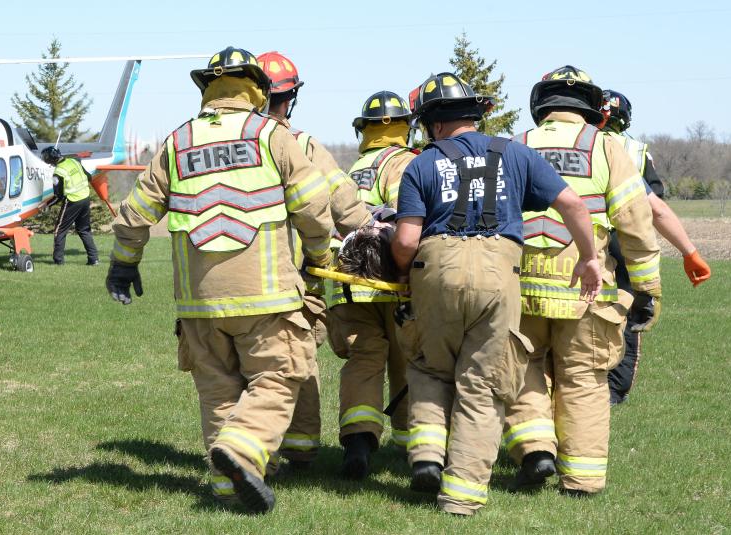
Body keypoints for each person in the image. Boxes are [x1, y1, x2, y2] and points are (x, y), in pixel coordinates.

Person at [105, 46, 334, 514]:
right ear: (257, 88)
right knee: (276, 378)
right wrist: (317, 259)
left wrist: (123, 264)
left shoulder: (177, 141)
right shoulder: (272, 135)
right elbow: (314, 207)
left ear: (207, 89)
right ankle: (245, 449)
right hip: (266, 296)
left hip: (198, 304)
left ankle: (229, 492)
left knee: (218, 392)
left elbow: (136, 214)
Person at [391, 71, 602, 516]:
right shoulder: (517, 154)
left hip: (436, 270)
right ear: (474, 115)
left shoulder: (421, 164)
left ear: (433, 122)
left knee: (430, 366)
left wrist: (406, 276)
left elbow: (407, 241)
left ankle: (427, 457)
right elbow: (573, 205)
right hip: (500, 270)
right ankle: (462, 496)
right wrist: (588, 258)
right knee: (482, 385)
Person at [503, 66, 662, 496]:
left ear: (542, 105)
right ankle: (583, 480)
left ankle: (536, 448)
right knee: (584, 379)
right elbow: (636, 223)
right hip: (585, 287)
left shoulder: (515, 146)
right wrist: (647, 288)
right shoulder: (608, 148)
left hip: (520, 287)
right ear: (591, 108)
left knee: (523, 368)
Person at [257, 51, 370, 473]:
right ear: (290, 98)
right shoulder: (299, 143)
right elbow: (345, 203)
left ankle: (250, 454)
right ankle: (301, 448)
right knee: (296, 358)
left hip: (217, 286)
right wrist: (371, 230)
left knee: (234, 373)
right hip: (290, 282)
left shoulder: (220, 142)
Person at [601, 88, 712, 405]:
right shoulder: (634, 150)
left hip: (575, 244)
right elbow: (656, 208)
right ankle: (612, 391)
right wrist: (689, 250)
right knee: (631, 315)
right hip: (623, 244)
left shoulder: (577, 145)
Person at [329, 90, 417, 480]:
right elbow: (407, 225)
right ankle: (410, 445)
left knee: (363, 363)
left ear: (364, 130)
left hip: (347, 284)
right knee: (407, 363)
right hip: (391, 284)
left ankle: (359, 442)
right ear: (406, 128)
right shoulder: (407, 165)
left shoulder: (353, 170)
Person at [41, 146, 99, 266]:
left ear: (50, 160)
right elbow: (89, 177)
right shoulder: (74, 161)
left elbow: (58, 197)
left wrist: (46, 204)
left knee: (59, 230)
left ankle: (58, 261)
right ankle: (94, 259)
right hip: (85, 198)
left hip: (73, 201)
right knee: (84, 230)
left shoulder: (58, 172)